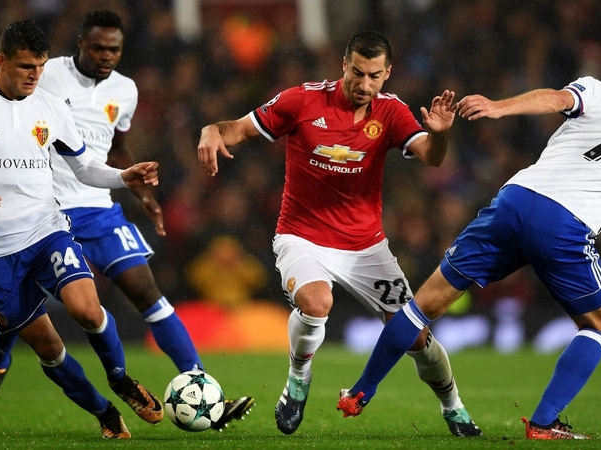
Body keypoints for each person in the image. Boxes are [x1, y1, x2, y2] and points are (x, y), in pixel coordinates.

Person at [336, 54, 601, 439]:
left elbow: (556, 98)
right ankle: (544, 422)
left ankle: (358, 392)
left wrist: (498, 107)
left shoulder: (596, 90)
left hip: (515, 199)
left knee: (423, 305)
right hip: (565, 223)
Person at [0, 9, 254, 431]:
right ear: (80, 43)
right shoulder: (46, 76)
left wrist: (144, 195)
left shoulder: (125, 90)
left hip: (99, 208)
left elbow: (116, 147)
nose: (106, 55)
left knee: (147, 291)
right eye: (98, 47)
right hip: (46, 209)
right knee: (19, 298)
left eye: (114, 49)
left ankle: (202, 387)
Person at [197, 31, 482, 437]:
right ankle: (298, 380)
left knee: (416, 337)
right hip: (301, 236)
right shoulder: (301, 100)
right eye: (357, 73)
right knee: (317, 303)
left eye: (374, 76)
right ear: (344, 65)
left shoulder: (391, 111)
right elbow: (238, 129)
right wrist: (212, 129)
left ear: (387, 73)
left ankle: (453, 407)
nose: (364, 84)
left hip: (366, 247)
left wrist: (439, 134)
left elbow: (432, 159)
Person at [0, 20, 167, 438]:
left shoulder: (50, 106)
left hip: (46, 230)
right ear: (1, 60)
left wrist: (123, 177)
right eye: (26, 66)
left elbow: (84, 167)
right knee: (49, 348)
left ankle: (120, 379)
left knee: (88, 310)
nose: (35, 75)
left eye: (41, 66)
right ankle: (103, 412)